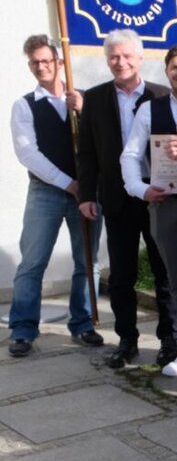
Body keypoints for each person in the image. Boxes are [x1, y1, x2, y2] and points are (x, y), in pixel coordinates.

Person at [77, 29, 177, 368]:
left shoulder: (161, 95)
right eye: (114, 57)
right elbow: (86, 153)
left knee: (165, 271)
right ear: (108, 61)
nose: (120, 62)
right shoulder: (94, 99)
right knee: (121, 276)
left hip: (159, 195)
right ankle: (127, 340)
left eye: (127, 56)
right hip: (117, 198)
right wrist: (87, 195)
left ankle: (169, 340)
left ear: (140, 58)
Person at [7, 35, 102, 357]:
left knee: (87, 261)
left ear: (59, 63)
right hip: (45, 192)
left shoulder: (84, 99)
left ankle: (83, 323)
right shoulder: (24, 105)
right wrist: (67, 183)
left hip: (86, 192)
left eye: (46, 61)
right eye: (35, 62)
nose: (41, 67)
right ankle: (22, 329)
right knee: (32, 262)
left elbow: (103, 139)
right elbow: (28, 154)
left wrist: (84, 110)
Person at [121, 45, 177, 378]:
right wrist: (140, 188)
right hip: (165, 205)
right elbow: (130, 155)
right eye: (175, 67)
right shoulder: (150, 109)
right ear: (167, 72)